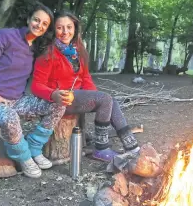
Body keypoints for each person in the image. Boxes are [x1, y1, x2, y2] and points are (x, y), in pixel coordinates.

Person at [31, 10, 139, 162]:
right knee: (105, 99)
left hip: (76, 96)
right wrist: (53, 94)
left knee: (109, 100)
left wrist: (96, 98)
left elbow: (85, 77)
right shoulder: (48, 53)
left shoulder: (77, 50)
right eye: (60, 28)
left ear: (75, 28)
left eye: (69, 27)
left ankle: (132, 147)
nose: (65, 32)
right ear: (53, 30)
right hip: (58, 101)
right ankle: (101, 148)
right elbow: (36, 85)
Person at [0, 3, 66, 178]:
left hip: (17, 101)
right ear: (28, 19)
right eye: (36, 20)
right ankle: (23, 156)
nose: (39, 25)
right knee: (9, 116)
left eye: (44, 24)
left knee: (57, 105)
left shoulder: (35, 48)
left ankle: (34, 146)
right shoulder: (5, 36)